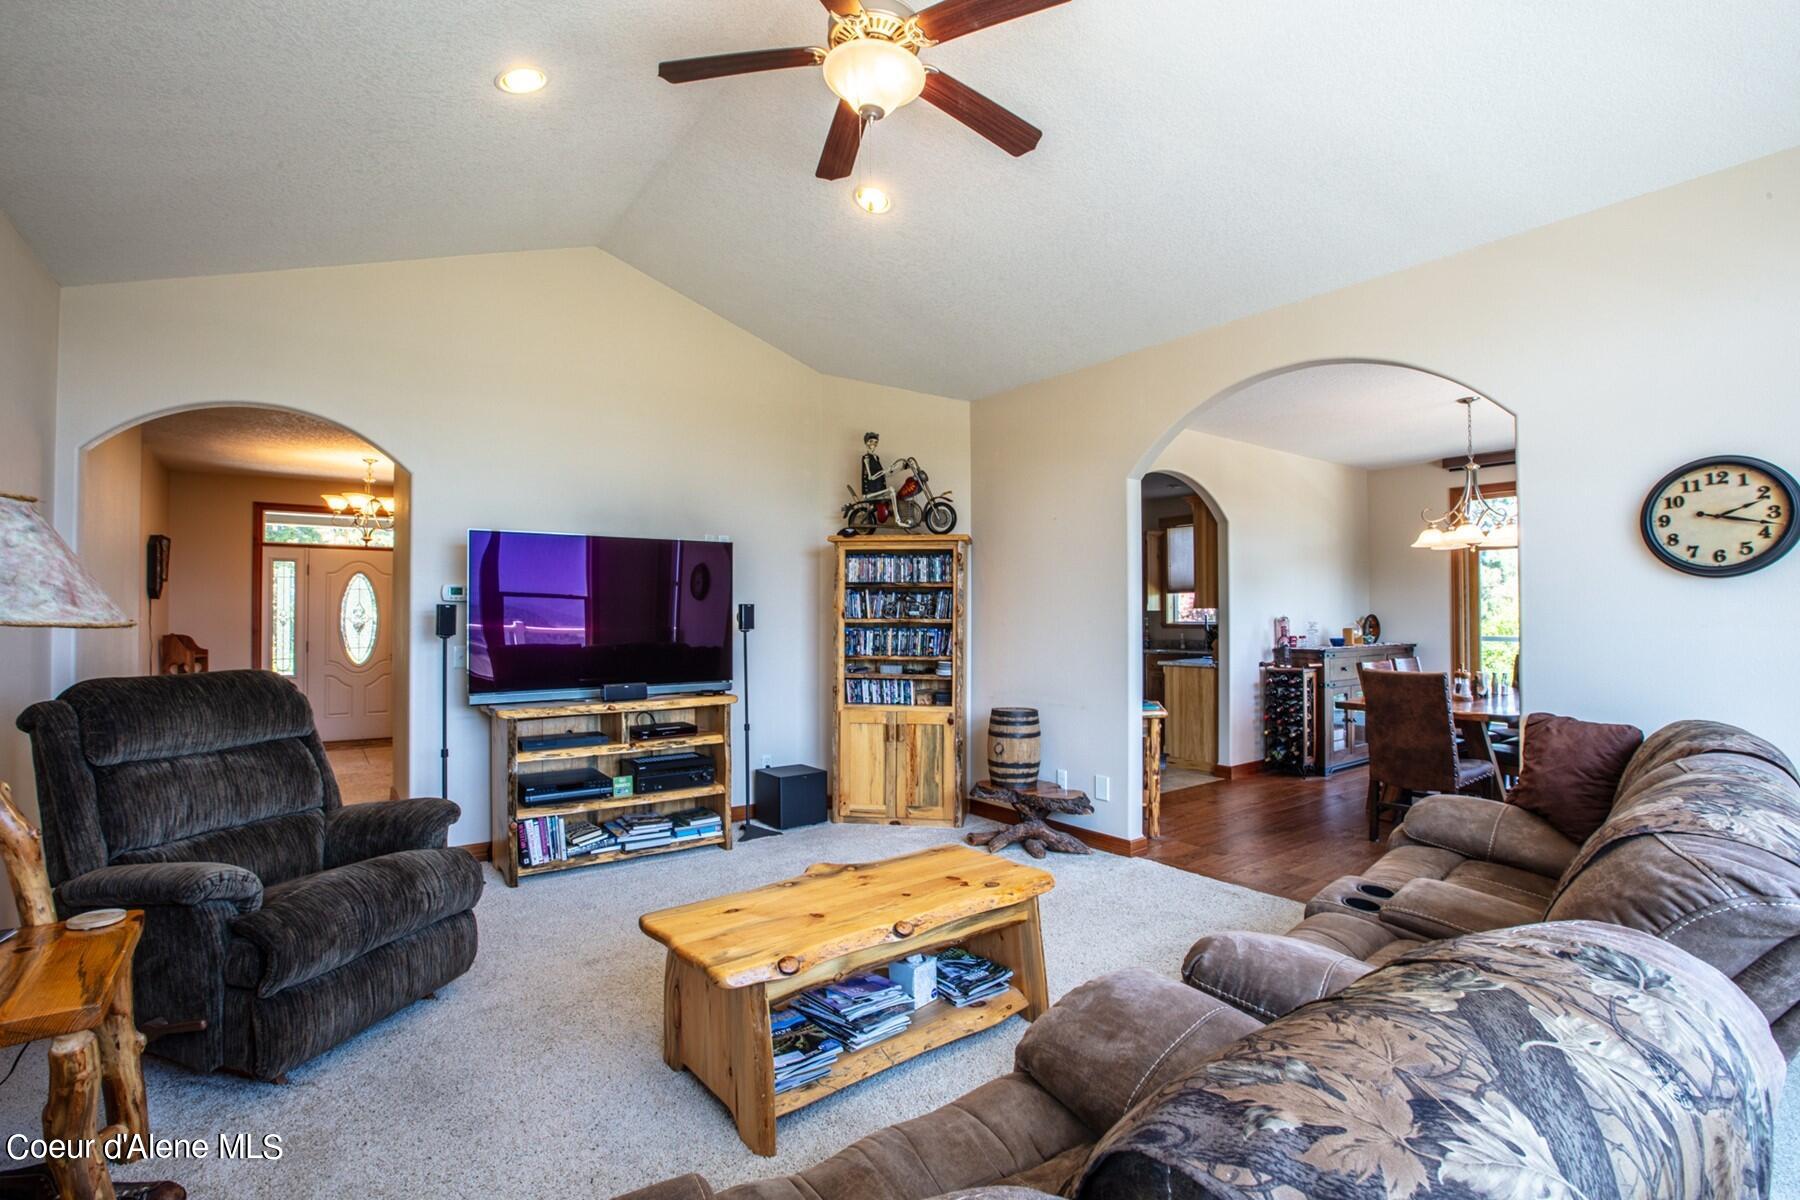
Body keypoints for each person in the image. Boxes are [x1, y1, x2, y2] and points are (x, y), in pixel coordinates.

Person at [859, 432, 888, 499]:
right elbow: (868, 476)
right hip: (872, 488)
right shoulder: (866, 458)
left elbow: (879, 471)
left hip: (879, 487)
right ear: (866, 443)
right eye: (871, 441)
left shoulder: (876, 457)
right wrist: (864, 492)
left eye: (875, 442)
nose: (873, 444)